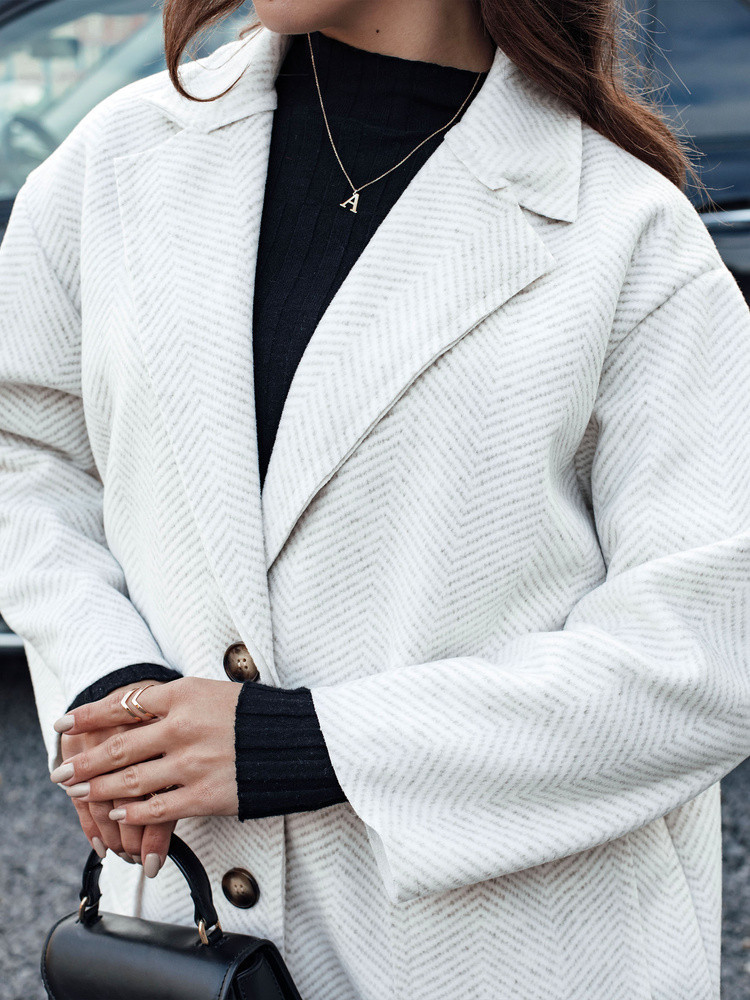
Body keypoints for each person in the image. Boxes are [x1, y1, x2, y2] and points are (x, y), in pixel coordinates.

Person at [1, 0, 749, 997]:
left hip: (506, 956)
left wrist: (311, 746)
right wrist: (108, 677)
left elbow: (708, 648)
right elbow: (27, 448)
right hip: (190, 940)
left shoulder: (628, 234)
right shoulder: (117, 160)